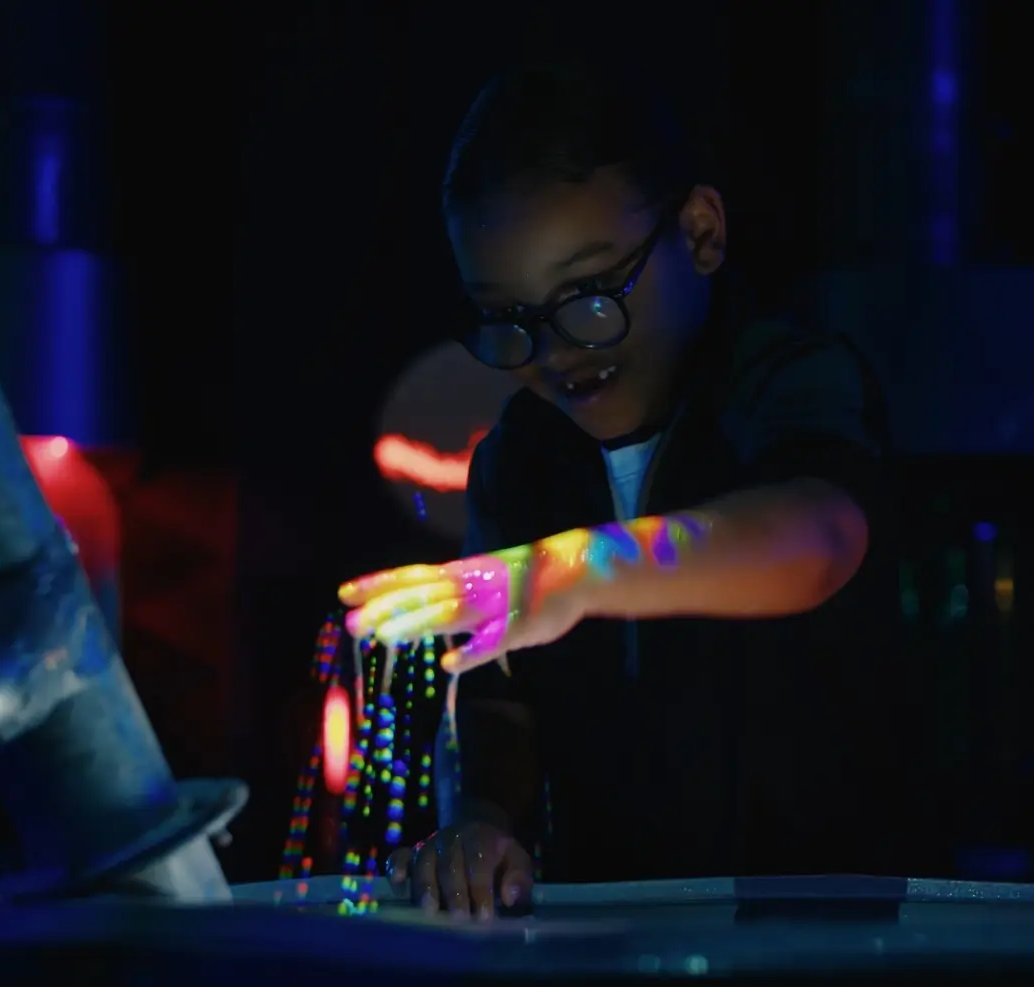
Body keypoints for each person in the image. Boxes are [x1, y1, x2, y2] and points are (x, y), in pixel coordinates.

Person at [340, 63, 917, 917]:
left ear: (701, 231)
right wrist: (481, 821)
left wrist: (579, 572)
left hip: (831, 943)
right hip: (607, 940)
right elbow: (499, 694)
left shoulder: (788, 380)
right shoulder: (518, 456)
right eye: (510, 320)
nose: (556, 350)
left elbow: (817, 540)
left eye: (589, 294)